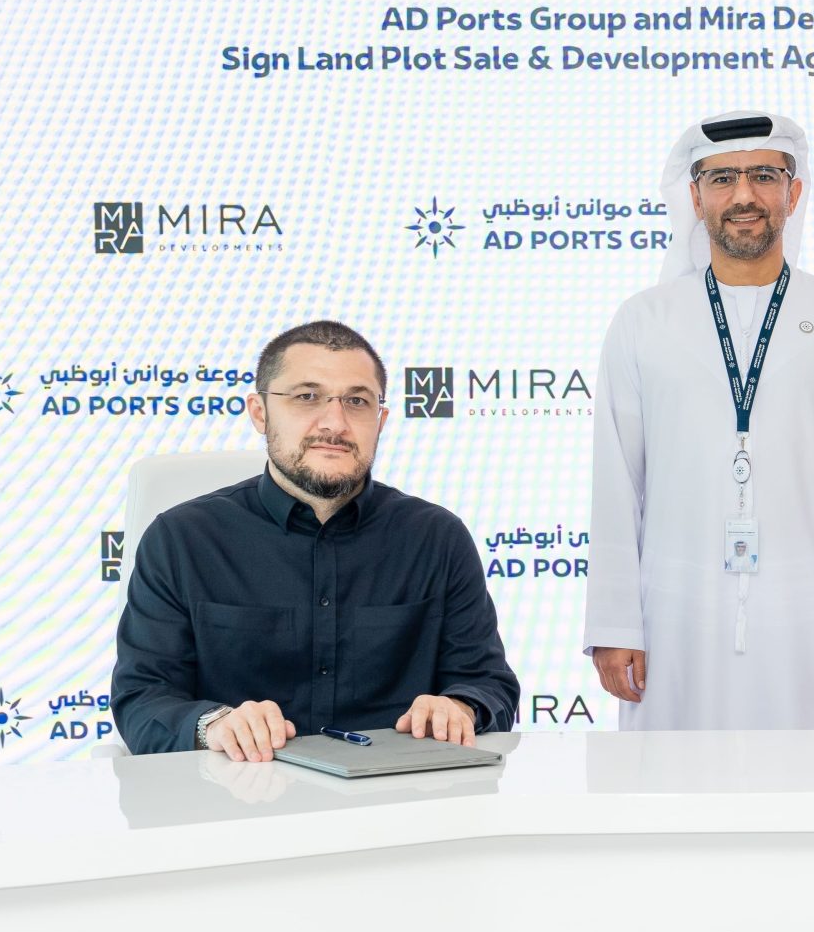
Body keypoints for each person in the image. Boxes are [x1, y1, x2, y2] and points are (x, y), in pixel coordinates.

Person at [585, 111, 814, 729]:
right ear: (695, 196)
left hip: (812, 621)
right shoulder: (644, 321)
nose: (744, 196)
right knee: (672, 781)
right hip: (674, 619)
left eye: (764, 175)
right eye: (723, 179)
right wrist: (615, 624)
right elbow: (616, 481)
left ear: (794, 192)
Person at [113, 319, 519, 761]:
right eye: (307, 396)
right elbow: (143, 697)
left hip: (398, 793)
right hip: (237, 792)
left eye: (357, 401)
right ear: (260, 413)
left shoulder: (437, 538)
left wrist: (460, 706)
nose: (335, 423)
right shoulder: (181, 540)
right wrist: (213, 725)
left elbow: (487, 683)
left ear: (380, 420)